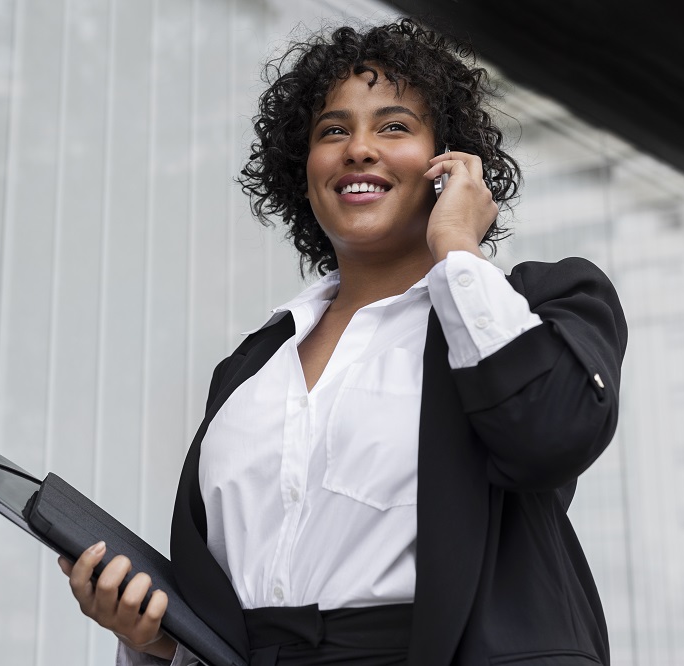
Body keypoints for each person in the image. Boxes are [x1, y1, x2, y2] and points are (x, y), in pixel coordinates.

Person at [58, 18, 627, 666]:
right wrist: (155, 641)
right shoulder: (249, 370)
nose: (359, 148)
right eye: (334, 131)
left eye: (394, 126)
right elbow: (226, 611)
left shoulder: (540, 305)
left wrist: (458, 251)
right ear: (304, 175)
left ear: (451, 162)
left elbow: (551, 432)